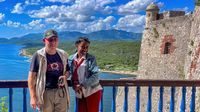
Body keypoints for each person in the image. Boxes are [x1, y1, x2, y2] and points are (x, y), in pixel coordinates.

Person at [28, 29, 70, 112]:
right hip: (45, 93)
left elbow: (68, 71)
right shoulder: (38, 55)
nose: (53, 42)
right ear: (44, 40)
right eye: (50, 40)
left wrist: (65, 76)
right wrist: (33, 97)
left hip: (61, 92)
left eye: (55, 39)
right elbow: (31, 78)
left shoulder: (63, 54)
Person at [68, 37, 102, 112]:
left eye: (87, 47)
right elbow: (68, 72)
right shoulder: (71, 59)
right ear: (77, 46)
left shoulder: (91, 58)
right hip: (79, 92)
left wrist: (82, 85)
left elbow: (96, 76)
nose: (85, 49)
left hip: (92, 91)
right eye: (82, 47)